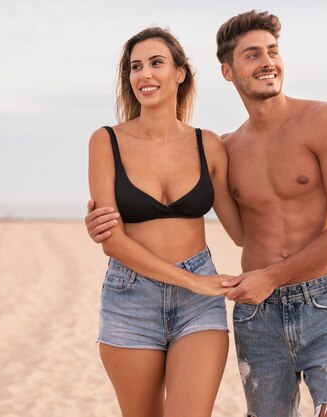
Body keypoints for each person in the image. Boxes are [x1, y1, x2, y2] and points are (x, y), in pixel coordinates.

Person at [86, 10, 327, 417]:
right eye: (252, 55)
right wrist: (102, 225)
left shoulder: (308, 124)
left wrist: (325, 250)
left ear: (181, 73)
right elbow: (243, 232)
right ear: (228, 70)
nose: (267, 62)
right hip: (202, 303)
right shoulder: (215, 146)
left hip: (298, 301)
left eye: (272, 52)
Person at [86, 27, 243, 417]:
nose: (144, 74)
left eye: (156, 63)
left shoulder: (209, 145)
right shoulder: (106, 141)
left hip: (199, 303)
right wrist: (191, 281)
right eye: (135, 67)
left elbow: (242, 231)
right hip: (130, 296)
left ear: (180, 73)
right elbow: (112, 240)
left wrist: (317, 236)